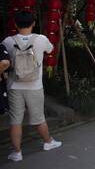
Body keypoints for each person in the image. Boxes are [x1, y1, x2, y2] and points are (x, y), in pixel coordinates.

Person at [1, 11, 62, 162]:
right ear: (33, 23)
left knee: (15, 120)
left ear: (15, 24)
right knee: (38, 117)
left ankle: (17, 152)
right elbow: (51, 50)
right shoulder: (41, 39)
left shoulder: (8, 41)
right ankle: (48, 142)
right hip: (34, 86)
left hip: (14, 86)